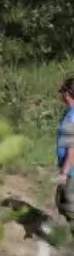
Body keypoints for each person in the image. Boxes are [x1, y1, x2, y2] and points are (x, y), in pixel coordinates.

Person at [55, 77, 74, 229]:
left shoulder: (71, 118)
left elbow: (72, 150)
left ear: (68, 93)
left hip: (72, 172)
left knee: (69, 207)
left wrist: (64, 173)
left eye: (63, 91)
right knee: (61, 201)